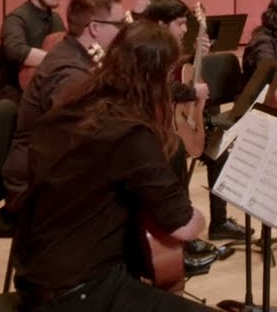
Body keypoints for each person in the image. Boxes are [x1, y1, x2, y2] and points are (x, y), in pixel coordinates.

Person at [11, 20, 213, 311]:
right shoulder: (130, 133)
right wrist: (199, 217)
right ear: (156, 79)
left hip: (36, 273)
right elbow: (182, 225)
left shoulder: (70, 108)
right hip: (81, 290)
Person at [2, 0, 125, 209]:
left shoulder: (77, 53)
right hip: (36, 187)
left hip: (54, 169)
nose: (123, 33)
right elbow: (78, 136)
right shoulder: (69, 72)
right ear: (95, 28)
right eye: (119, 25)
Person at [139, 0, 244, 244]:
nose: (185, 29)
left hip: (176, 122)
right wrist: (193, 93)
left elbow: (176, 75)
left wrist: (195, 57)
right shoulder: (146, 48)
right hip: (155, 129)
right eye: (180, 24)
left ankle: (219, 222)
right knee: (175, 155)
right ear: (162, 24)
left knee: (217, 151)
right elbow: (160, 87)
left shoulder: (165, 47)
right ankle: (182, 227)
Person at [0, 0, 66, 103]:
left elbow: (64, 46)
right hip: (16, 89)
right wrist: (55, 60)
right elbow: (14, 50)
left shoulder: (56, 18)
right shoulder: (16, 19)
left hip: (46, 83)